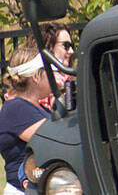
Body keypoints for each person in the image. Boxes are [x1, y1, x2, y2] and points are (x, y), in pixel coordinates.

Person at [0, 42, 52, 194]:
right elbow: (52, 138)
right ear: (36, 76)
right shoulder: (16, 108)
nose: (53, 77)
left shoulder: (35, 107)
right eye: (48, 71)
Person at [36, 24, 74, 112]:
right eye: (66, 46)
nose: (72, 51)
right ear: (49, 46)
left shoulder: (39, 76)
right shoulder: (52, 80)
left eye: (71, 46)